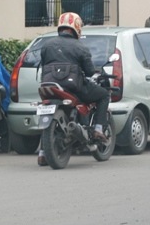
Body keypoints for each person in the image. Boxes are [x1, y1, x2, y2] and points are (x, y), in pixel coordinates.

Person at [37, 12, 110, 167]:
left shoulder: (47, 45)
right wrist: (97, 73)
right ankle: (97, 129)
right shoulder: (80, 47)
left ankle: (42, 153)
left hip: (48, 85)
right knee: (103, 95)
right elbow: (90, 71)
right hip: (73, 87)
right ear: (76, 27)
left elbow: (44, 65)